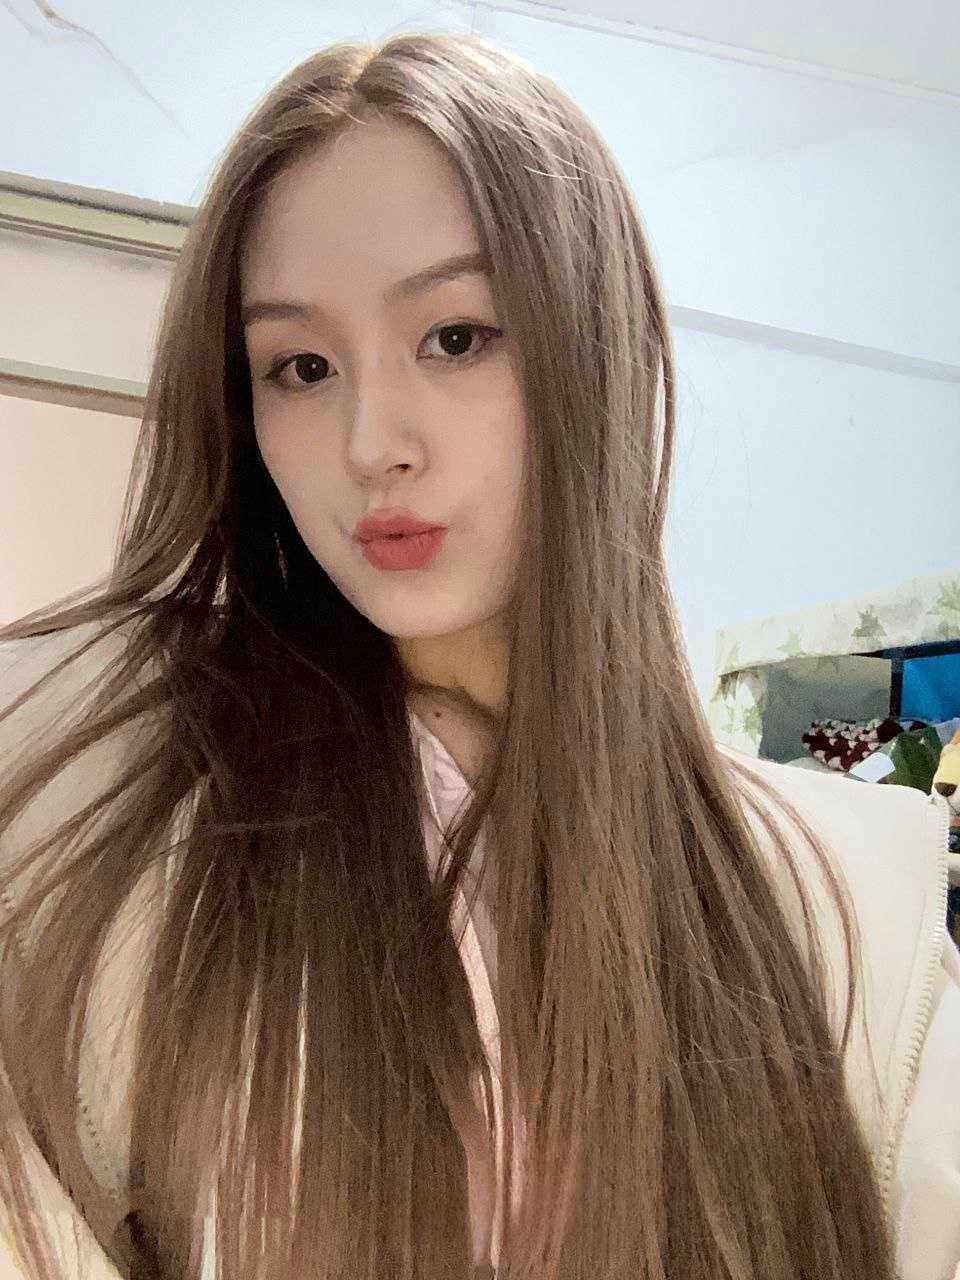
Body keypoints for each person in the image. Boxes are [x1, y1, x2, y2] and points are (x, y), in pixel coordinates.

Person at [0, 30, 957, 1280]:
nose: (372, 441)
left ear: (596, 350)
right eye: (301, 366)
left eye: (455, 336)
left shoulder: (839, 900)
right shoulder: (112, 806)